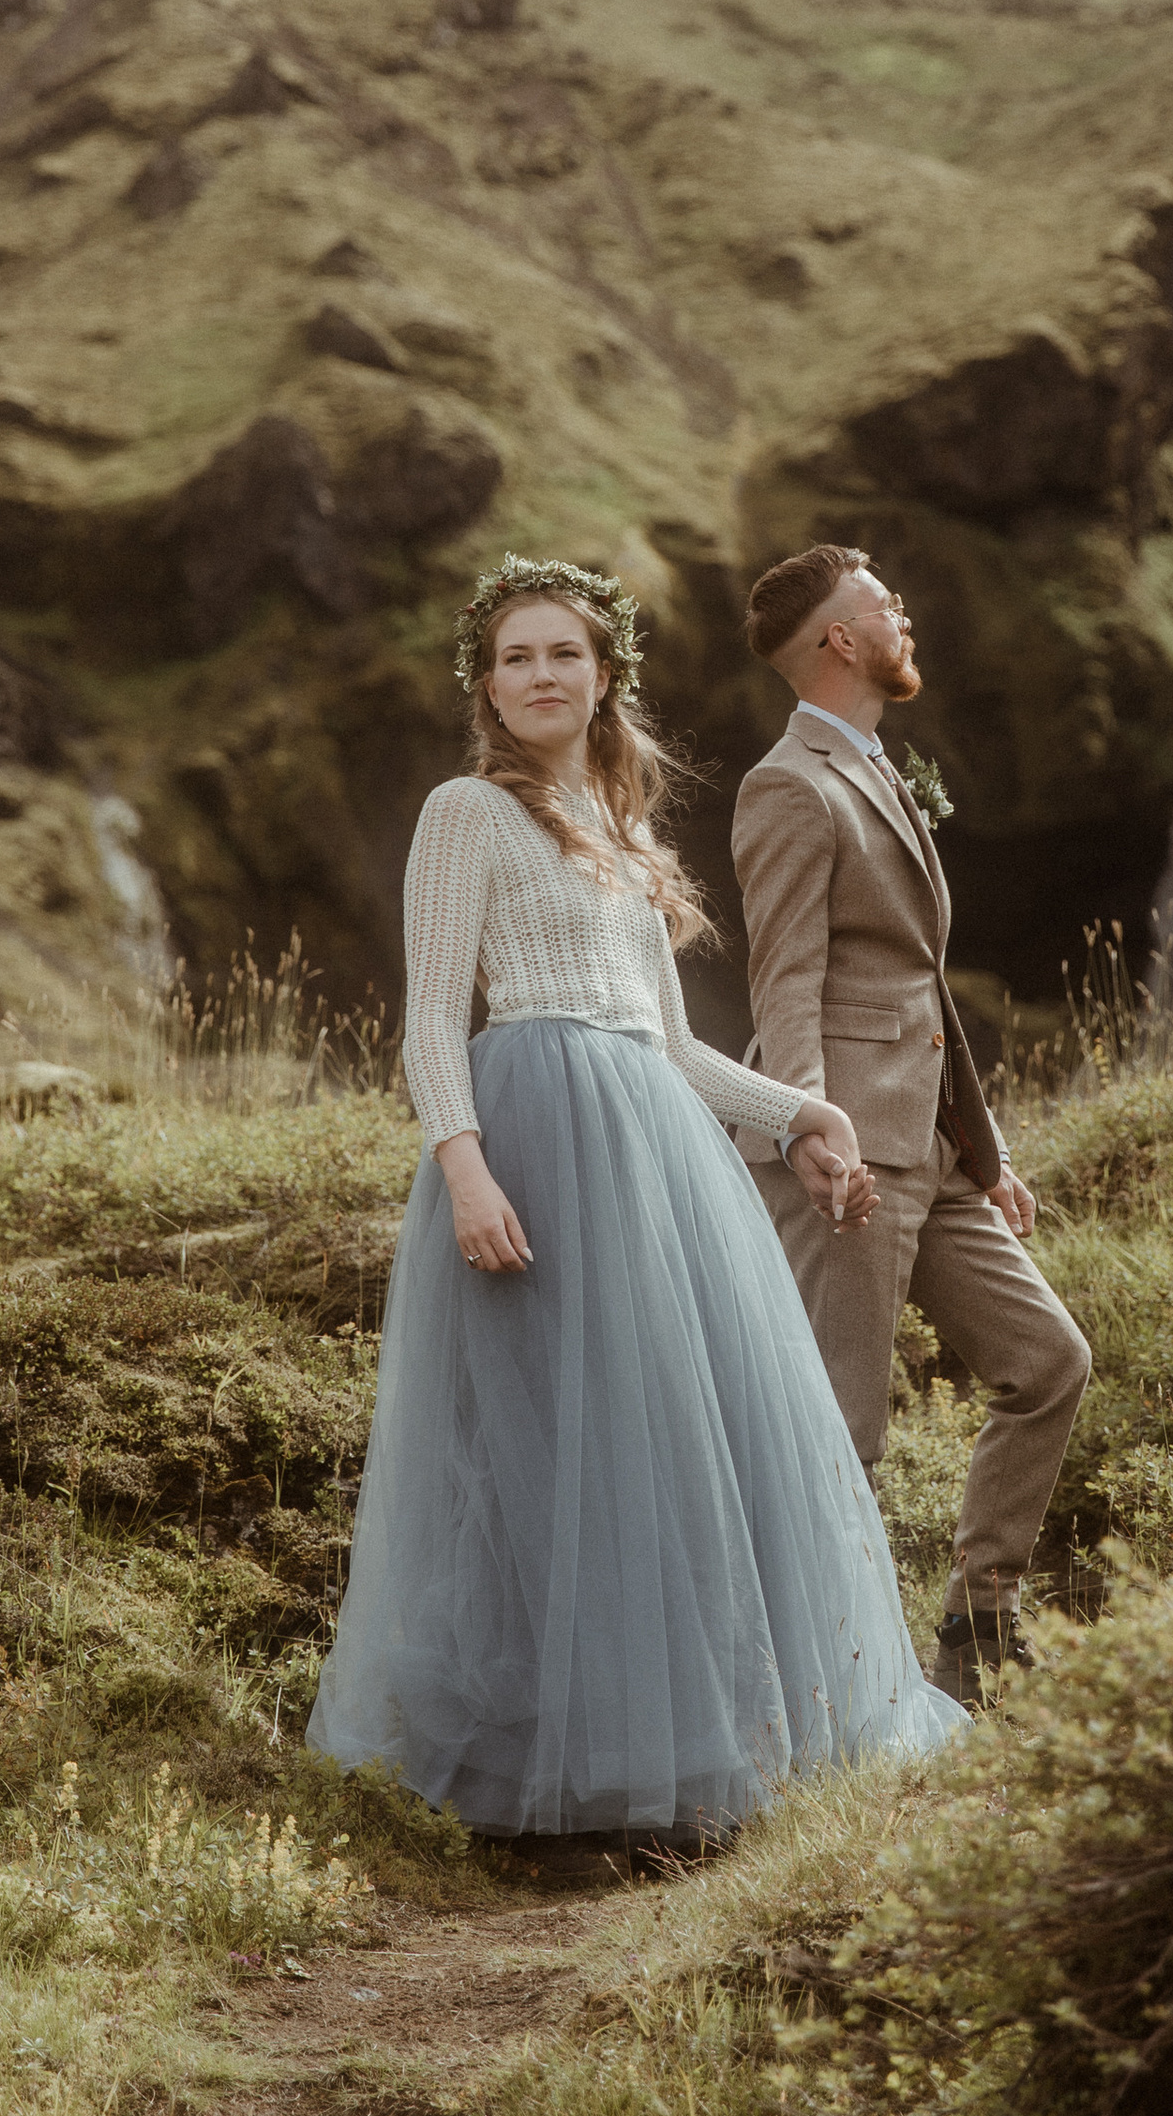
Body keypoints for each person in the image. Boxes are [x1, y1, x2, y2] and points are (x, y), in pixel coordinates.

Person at [307, 551, 962, 1843]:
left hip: (655, 1153)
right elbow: (432, 1020)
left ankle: (691, 1758)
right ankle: (534, 1770)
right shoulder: (464, 816)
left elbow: (670, 1047)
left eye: (564, 654)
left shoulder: (621, 835)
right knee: (547, 1453)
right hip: (534, 1151)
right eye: (515, 658)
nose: (541, 676)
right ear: (487, 691)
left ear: (604, 680)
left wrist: (801, 1115)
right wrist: (465, 1163)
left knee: (668, 1442)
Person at [733, 545, 1092, 1706]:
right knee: (842, 1427)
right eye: (883, 604)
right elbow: (784, 979)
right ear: (838, 640)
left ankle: (976, 1631)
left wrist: (982, 1156)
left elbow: (920, 985)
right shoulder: (787, 786)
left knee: (1047, 1363)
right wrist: (806, 1127)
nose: (903, 616)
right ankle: (821, 1684)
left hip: (927, 1151)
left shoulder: (875, 768)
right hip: (843, 1155)